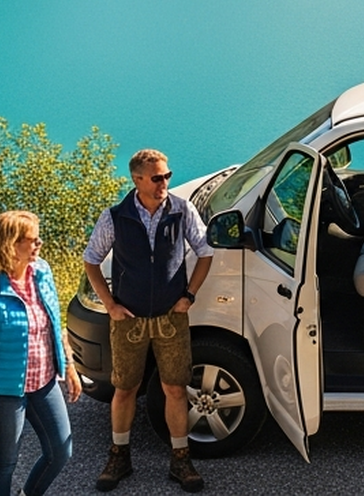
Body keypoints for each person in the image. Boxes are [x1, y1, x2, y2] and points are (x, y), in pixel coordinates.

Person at [83, 149, 215, 493]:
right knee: (124, 388)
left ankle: (181, 459)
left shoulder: (181, 209)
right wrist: (110, 304)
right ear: (137, 180)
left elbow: (205, 252)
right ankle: (119, 456)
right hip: (129, 319)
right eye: (157, 178)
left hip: (171, 318)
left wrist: (190, 295)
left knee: (175, 387)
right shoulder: (115, 217)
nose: (165, 183)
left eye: (168, 176)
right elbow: (91, 260)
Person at [0, 210, 82, 496]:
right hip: (3, 393)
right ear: (10, 244)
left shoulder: (42, 272)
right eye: (32, 239)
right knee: (4, 463)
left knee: (61, 450)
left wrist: (70, 366)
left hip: (44, 382)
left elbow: (54, 322)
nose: (39, 244)